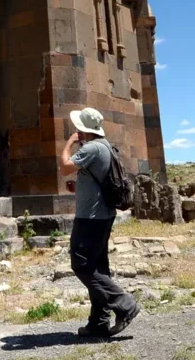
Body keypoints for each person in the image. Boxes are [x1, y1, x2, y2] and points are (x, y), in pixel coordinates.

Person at [58, 107, 140, 338]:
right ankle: (99, 322)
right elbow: (97, 178)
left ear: (83, 130)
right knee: (98, 268)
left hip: (90, 218)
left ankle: (125, 304)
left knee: (82, 265)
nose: (76, 131)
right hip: (102, 215)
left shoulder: (92, 147)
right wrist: (81, 187)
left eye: (78, 129)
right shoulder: (106, 147)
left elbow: (64, 168)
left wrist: (69, 143)